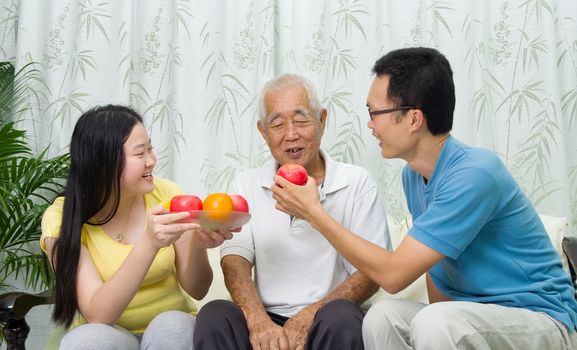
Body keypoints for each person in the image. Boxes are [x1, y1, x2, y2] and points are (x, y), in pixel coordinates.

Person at [270, 48, 577, 350]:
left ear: (414, 119)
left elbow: (393, 275)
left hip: (540, 319)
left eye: (374, 113)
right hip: (470, 316)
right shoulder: (414, 175)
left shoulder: (475, 173)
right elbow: (434, 267)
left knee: (437, 322)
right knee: (382, 317)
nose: (370, 124)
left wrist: (314, 212)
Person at [193, 74, 391, 350]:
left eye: (301, 120)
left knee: (342, 318)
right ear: (263, 132)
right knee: (215, 314)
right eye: (277, 124)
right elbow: (235, 262)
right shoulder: (246, 183)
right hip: (266, 317)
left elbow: (371, 274)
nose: (291, 134)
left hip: (328, 316)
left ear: (322, 121)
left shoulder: (357, 182)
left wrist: (309, 315)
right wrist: (258, 322)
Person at [41, 104, 233, 349]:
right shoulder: (62, 217)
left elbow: (198, 289)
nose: (151, 161)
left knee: (171, 326)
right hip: (110, 333)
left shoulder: (168, 195)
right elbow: (98, 315)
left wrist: (198, 244)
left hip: (171, 332)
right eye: (140, 153)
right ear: (104, 164)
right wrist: (149, 243)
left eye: (150, 149)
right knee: (85, 341)